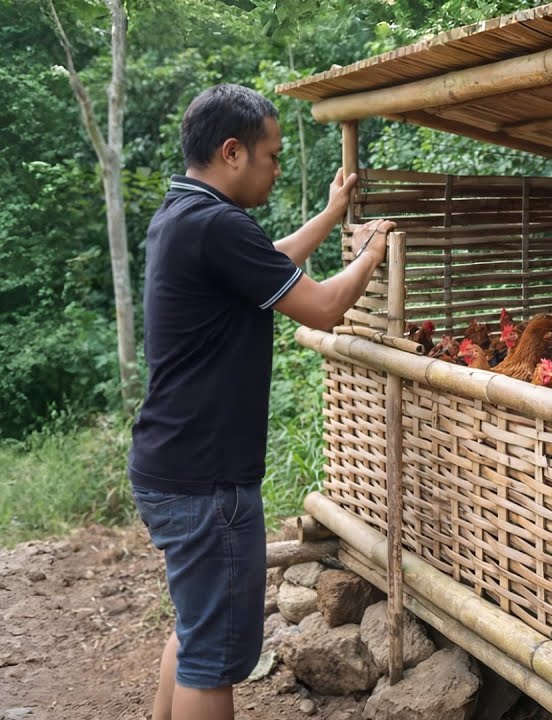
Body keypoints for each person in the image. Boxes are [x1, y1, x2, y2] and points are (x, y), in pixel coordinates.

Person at [127, 83, 394, 720]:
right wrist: (371, 253)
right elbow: (324, 307)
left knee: (197, 635)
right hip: (206, 480)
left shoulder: (183, 214)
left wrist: (330, 216)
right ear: (232, 152)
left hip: (172, 464)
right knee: (215, 661)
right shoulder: (217, 224)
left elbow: (267, 263)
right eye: (271, 156)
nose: (276, 168)